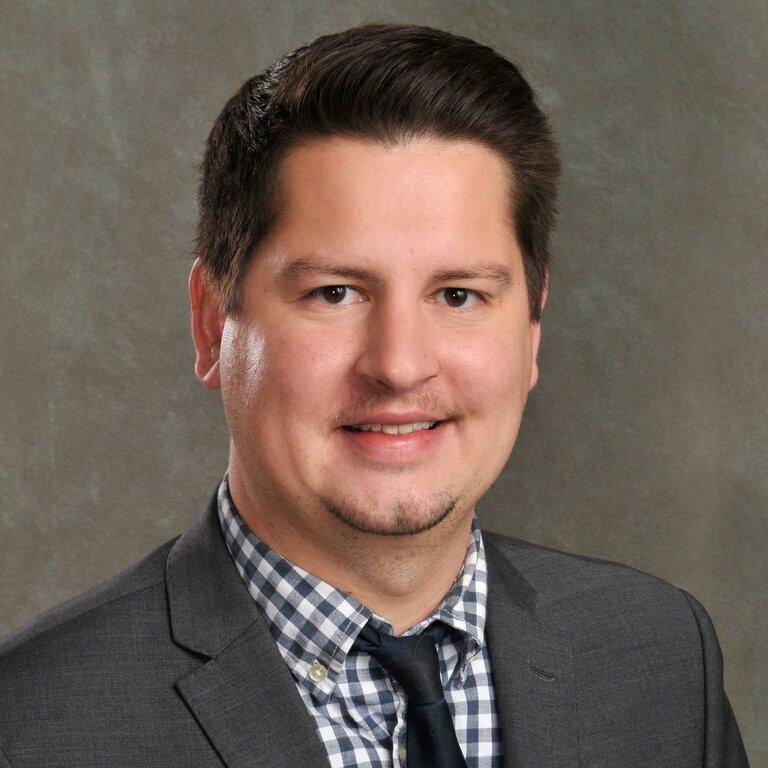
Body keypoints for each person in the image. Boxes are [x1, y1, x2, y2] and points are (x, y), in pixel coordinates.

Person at [0, 21, 749, 768]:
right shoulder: (35, 725)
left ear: (531, 331)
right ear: (210, 322)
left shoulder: (658, 659)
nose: (399, 366)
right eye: (335, 292)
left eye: (457, 295)